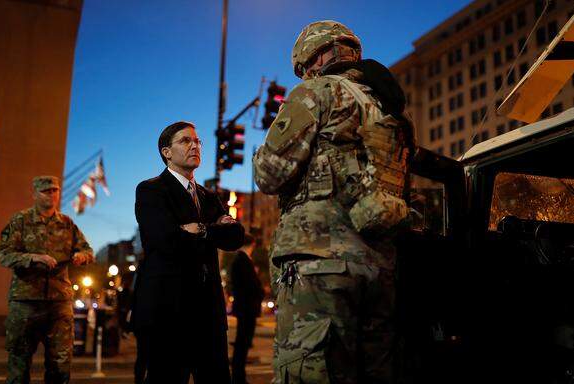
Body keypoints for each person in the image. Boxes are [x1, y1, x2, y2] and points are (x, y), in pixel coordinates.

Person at [253, 20, 413, 383]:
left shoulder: (317, 92)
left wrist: (260, 154)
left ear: (322, 54)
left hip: (320, 263)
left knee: (309, 372)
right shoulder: (389, 111)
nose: (305, 74)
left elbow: (269, 174)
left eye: (305, 65)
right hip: (380, 268)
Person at [134, 121, 245, 383]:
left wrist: (202, 230)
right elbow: (166, 239)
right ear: (166, 152)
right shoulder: (151, 190)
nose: (195, 145)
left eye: (197, 141)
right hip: (169, 311)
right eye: (185, 141)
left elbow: (235, 237)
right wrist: (212, 230)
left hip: (209, 312)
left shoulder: (209, 196)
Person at [0, 175, 95, 384]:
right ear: (34, 194)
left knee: (60, 364)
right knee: (19, 362)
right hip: (25, 302)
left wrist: (81, 256)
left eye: (55, 190)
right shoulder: (20, 221)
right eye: (46, 191)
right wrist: (33, 258)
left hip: (58, 304)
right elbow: (4, 255)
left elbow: (87, 250)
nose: (52, 194)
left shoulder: (67, 224)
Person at [230, 232, 264, 384]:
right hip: (247, 308)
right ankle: (238, 377)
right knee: (242, 343)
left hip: (245, 308)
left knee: (242, 343)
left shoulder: (240, 260)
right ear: (251, 245)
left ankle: (239, 376)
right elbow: (251, 286)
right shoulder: (243, 260)